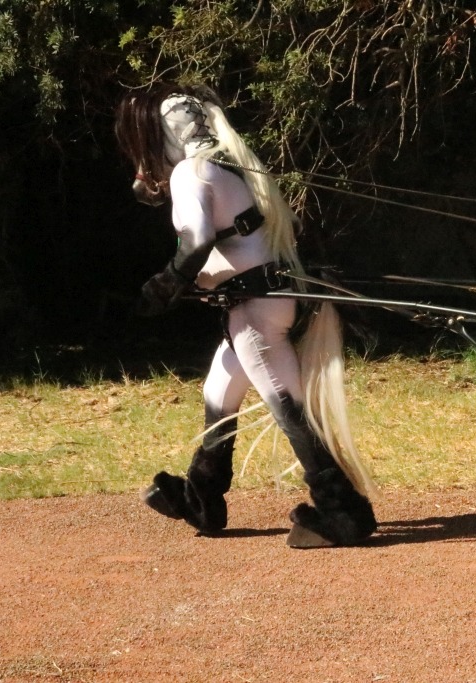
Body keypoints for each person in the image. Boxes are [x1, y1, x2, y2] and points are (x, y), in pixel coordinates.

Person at [115, 83, 378, 547]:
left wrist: (164, 286)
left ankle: (342, 511)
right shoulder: (227, 168)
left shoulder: (191, 174)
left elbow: (196, 240)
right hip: (251, 307)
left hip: (255, 313)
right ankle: (203, 494)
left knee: (286, 404)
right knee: (218, 393)